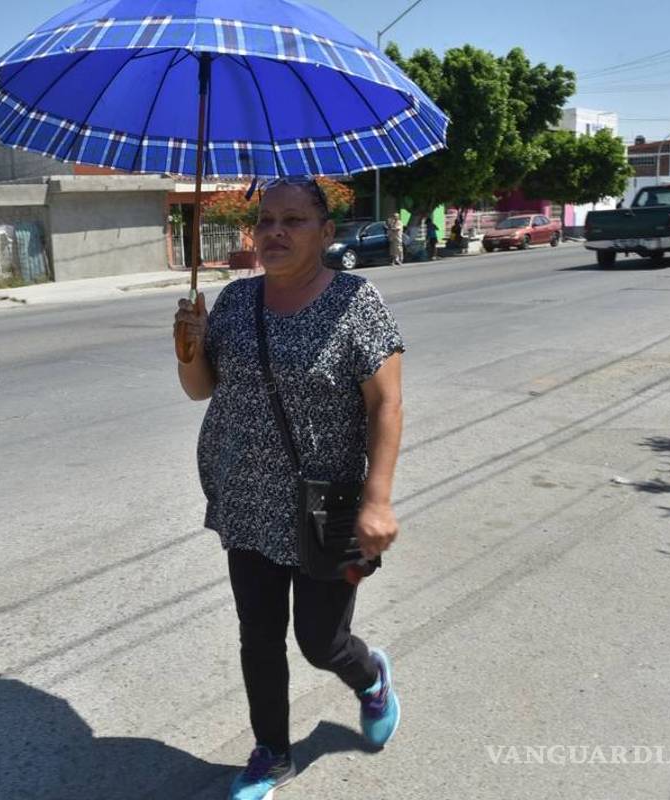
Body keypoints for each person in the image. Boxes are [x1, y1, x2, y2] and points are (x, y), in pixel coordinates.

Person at [174, 176, 404, 800]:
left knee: (319, 641)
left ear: (325, 233)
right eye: (267, 219)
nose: (275, 231)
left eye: (293, 220)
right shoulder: (234, 301)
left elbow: (386, 404)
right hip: (244, 498)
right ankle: (272, 754)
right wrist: (188, 345)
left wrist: (378, 499)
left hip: (326, 502)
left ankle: (370, 678)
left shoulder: (356, 301)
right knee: (258, 632)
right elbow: (201, 389)